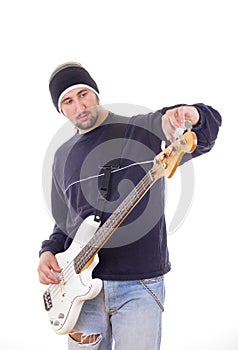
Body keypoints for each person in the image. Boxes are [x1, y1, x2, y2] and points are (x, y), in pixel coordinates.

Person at [38, 62, 222, 350]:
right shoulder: (62, 157)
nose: (79, 106)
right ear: (61, 110)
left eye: (84, 94)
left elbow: (205, 133)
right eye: (68, 101)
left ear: (96, 94)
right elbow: (65, 223)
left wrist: (194, 115)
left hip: (140, 284)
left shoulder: (140, 129)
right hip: (79, 293)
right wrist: (48, 251)